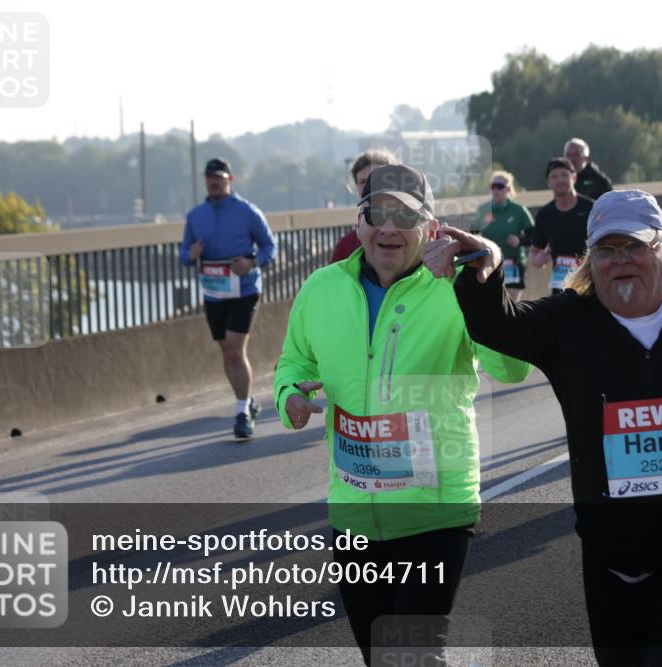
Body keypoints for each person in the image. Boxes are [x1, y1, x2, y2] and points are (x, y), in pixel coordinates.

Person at [422, 188, 662, 666]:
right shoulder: (568, 323)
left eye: (634, 245)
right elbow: (497, 324)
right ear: (591, 260)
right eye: (607, 248)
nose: (620, 259)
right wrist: (487, 265)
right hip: (609, 559)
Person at [274, 164, 531, 666]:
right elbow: (295, 360)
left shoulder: (455, 287)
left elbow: (513, 367)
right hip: (354, 511)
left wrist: (484, 285)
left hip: (434, 510)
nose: (388, 228)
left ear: (431, 230)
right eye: (377, 213)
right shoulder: (322, 288)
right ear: (358, 222)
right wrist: (288, 396)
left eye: (406, 216)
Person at [180, 158, 277, 439]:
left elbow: (270, 246)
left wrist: (252, 262)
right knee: (226, 351)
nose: (213, 182)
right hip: (215, 291)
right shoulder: (195, 216)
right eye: (209, 177)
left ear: (230, 179)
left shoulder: (247, 211)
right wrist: (191, 255)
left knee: (235, 348)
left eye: (219, 178)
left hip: (244, 289)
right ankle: (246, 401)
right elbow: (183, 254)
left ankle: (242, 413)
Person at [530, 157, 594, 294]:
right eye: (554, 176)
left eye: (564, 175)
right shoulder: (545, 214)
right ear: (548, 183)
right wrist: (537, 259)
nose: (559, 180)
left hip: (591, 285)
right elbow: (534, 252)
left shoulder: (591, 208)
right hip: (560, 288)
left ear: (574, 178)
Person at [471, 170, 535, 300]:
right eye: (493, 186)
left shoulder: (519, 210)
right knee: (491, 302)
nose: (496, 189)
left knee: (511, 303)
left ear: (508, 189)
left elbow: (535, 236)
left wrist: (519, 241)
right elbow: (472, 235)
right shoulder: (483, 209)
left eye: (500, 186)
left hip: (513, 263)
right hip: (489, 262)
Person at [331, 149, 400, 263]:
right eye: (363, 181)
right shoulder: (347, 245)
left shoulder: (415, 236)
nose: (370, 186)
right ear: (356, 187)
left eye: (377, 179)